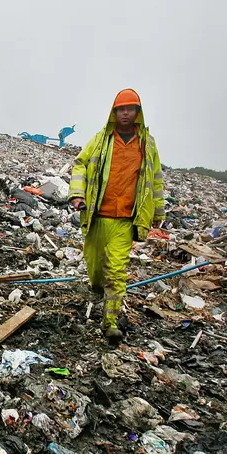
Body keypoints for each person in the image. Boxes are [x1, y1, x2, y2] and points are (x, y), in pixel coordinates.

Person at [68, 89, 165, 341]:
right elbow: (80, 164)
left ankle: (110, 321)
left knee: (117, 271)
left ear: (137, 113)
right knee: (95, 269)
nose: (125, 113)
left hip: (125, 220)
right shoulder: (101, 140)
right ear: (114, 112)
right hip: (98, 216)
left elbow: (155, 179)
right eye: (121, 109)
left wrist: (158, 211)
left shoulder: (147, 144)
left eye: (130, 109)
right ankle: (97, 290)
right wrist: (78, 194)